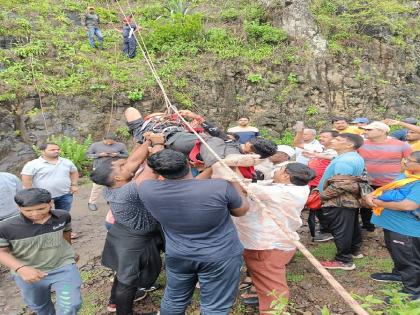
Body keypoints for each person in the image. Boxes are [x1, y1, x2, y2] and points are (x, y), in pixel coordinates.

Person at [138, 149, 249, 315]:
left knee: (174, 300)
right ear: (189, 164)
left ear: (155, 172)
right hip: (220, 256)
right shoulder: (220, 187)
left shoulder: (146, 189)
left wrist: (211, 169)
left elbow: (188, 185)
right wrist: (231, 176)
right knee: (215, 307)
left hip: (179, 255)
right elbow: (241, 210)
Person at [90, 135, 164, 315]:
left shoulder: (113, 185)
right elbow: (154, 167)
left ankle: (113, 303)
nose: (127, 164)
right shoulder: (128, 191)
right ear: (118, 176)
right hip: (135, 239)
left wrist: (147, 141)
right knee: (127, 280)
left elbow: (132, 160)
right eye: (121, 166)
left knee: (122, 271)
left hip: (122, 232)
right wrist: (159, 143)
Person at [234, 163, 315, 312]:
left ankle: (274, 310)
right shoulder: (300, 187)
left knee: (273, 286)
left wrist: (230, 166)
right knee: (264, 279)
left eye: (280, 170)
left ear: (286, 176)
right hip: (277, 242)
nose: (276, 171)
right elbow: (263, 184)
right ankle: (263, 297)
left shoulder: (281, 193)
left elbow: (239, 184)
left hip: (267, 246)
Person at [0, 188, 82, 315]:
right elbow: (2, 252)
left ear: (50, 203)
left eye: (41, 209)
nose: (35, 214)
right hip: (28, 273)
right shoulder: (5, 227)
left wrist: (70, 251)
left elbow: (66, 233)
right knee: (40, 307)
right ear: (18, 207)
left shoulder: (63, 216)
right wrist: (21, 268)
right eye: (28, 210)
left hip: (62, 267)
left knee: (70, 306)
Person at [125, 107, 277, 168]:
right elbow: (216, 131)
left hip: (170, 137)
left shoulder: (143, 127)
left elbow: (216, 135)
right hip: (179, 135)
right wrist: (194, 119)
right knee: (215, 138)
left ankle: (217, 165)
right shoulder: (232, 141)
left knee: (131, 110)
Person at [366, 151, 420, 302]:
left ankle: (413, 292)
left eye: (409, 160)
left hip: (406, 228)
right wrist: (372, 195)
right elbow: (389, 189)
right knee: (398, 254)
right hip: (394, 225)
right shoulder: (409, 174)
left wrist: (378, 202)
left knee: (408, 259)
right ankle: (399, 274)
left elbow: (408, 205)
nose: (404, 162)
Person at [318, 133, 365, 270]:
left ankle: (344, 260)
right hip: (348, 200)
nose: (333, 140)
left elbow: (340, 185)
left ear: (349, 144)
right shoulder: (352, 156)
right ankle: (354, 250)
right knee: (351, 226)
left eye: (338, 139)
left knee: (341, 229)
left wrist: (322, 196)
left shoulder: (344, 161)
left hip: (339, 200)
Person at [358, 121, 412, 231]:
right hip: (367, 182)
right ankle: (368, 227)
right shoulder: (361, 144)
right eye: (365, 129)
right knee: (366, 206)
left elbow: (413, 162)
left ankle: (390, 229)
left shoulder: (401, 145)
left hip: (390, 184)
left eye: (369, 129)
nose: (365, 131)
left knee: (390, 206)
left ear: (382, 131)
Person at [21, 143, 79, 238]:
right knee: (44, 216)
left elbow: (74, 172)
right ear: (42, 151)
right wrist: (32, 195)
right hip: (43, 198)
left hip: (65, 194)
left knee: (63, 214)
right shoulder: (33, 164)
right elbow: (26, 179)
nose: (56, 151)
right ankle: (48, 234)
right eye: (52, 149)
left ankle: (66, 232)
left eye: (58, 149)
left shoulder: (66, 162)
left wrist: (74, 185)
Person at [303, 130, 338, 241]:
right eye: (321, 136)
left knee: (323, 209)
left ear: (334, 139)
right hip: (314, 183)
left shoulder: (335, 152)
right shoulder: (323, 150)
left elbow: (333, 158)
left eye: (325, 137)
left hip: (323, 185)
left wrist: (315, 155)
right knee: (316, 209)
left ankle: (327, 231)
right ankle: (321, 230)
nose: (321, 138)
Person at [86, 133, 128, 211]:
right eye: (107, 142)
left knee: (114, 185)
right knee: (96, 186)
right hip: (99, 168)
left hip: (114, 169)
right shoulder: (95, 145)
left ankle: (111, 200)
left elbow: (126, 155)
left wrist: (117, 155)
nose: (109, 143)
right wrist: (99, 155)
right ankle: (92, 202)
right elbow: (88, 155)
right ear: (103, 139)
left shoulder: (121, 145)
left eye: (111, 142)